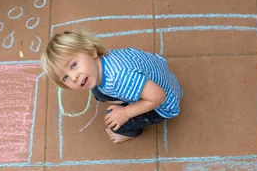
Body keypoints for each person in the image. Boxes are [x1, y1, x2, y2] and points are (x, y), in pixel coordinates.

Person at [41, 30, 182, 144]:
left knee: (114, 119)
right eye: (65, 77)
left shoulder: (118, 78)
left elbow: (159, 96)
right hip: (155, 74)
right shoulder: (103, 62)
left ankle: (130, 133)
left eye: (73, 65)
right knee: (98, 91)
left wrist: (125, 113)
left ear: (91, 51)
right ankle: (126, 99)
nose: (73, 77)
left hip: (165, 102)